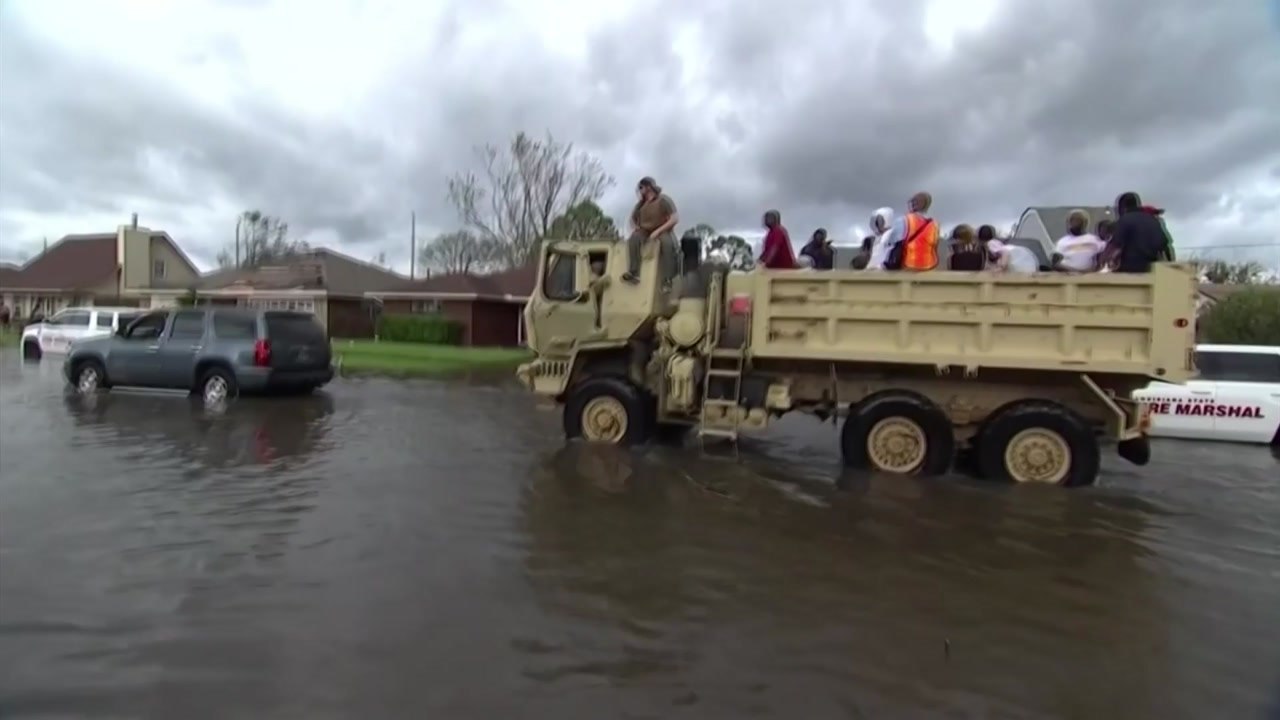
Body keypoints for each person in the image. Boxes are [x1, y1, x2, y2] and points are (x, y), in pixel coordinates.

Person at [622, 176, 679, 284]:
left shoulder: (663, 200)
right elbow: (632, 219)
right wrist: (635, 228)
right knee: (633, 239)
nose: (640, 190)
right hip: (645, 230)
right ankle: (634, 273)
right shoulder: (640, 204)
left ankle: (667, 279)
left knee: (667, 244)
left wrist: (657, 231)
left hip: (662, 229)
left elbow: (674, 218)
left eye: (641, 187)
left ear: (648, 187)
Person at [1103, 191, 1171, 273]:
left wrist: (1102, 261)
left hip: (1129, 269)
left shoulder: (1124, 220)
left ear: (1122, 207)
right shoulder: (1153, 220)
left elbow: (1114, 246)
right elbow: (1164, 245)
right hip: (1152, 269)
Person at [882, 191, 939, 271]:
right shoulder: (935, 225)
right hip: (928, 266)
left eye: (913, 201)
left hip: (907, 266)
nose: (911, 203)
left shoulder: (904, 220)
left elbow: (891, 242)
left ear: (918, 203)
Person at [1052, 208, 1107, 273]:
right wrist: (1074, 271)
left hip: (1091, 276)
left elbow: (1104, 259)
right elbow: (1055, 264)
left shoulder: (1096, 240)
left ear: (1085, 223)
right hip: (1067, 276)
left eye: (1078, 220)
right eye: (1072, 220)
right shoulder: (1062, 242)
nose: (1075, 223)